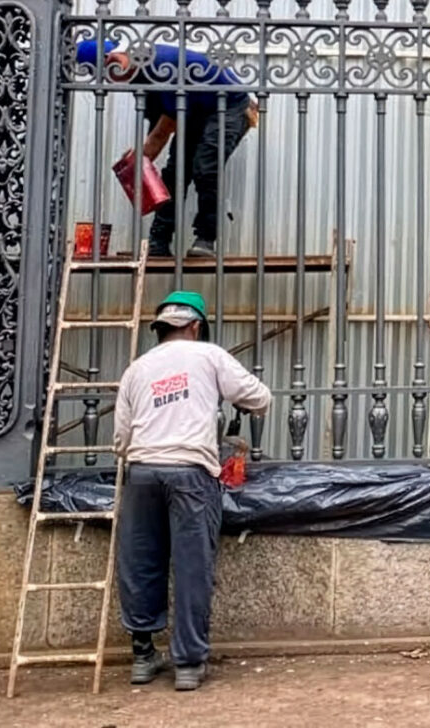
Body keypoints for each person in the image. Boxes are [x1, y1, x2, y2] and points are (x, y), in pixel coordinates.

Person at [114, 290, 271, 691]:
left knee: (141, 562)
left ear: (161, 327)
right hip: (191, 474)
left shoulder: (137, 368)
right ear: (196, 325)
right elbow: (259, 397)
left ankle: (143, 656)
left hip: (143, 472)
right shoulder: (210, 355)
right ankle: (187, 664)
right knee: (190, 566)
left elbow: (120, 438)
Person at [76, 39, 257, 258]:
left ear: (114, 58)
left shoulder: (160, 65)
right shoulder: (137, 76)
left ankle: (206, 238)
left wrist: (142, 157)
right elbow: (160, 119)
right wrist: (142, 155)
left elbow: (164, 129)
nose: (109, 78)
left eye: (107, 70)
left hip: (229, 106)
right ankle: (158, 242)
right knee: (175, 173)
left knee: (205, 167)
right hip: (195, 111)